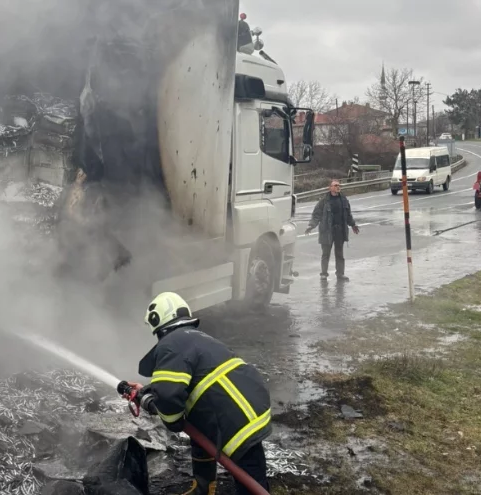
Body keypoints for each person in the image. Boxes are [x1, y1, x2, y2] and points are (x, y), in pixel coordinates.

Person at [122, 292, 272, 495]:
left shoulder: (171, 343)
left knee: (250, 481)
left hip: (236, 417)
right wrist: (146, 392)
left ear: (159, 325)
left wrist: (172, 420)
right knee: (200, 435)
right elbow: (183, 382)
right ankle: (203, 488)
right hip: (246, 407)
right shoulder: (194, 338)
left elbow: (168, 395)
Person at [304, 180, 360, 282]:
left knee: (339, 254)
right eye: (335, 185)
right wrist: (311, 226)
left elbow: (348, 215)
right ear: (330, 188)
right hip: (327, 231)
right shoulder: (324, 201)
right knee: (326, 254)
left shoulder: (344, 200)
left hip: (339, 231)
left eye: (339, 185)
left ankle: (340, 274)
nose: (338, 187)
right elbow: (316, 215)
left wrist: (353, 224)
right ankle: (324, 274)